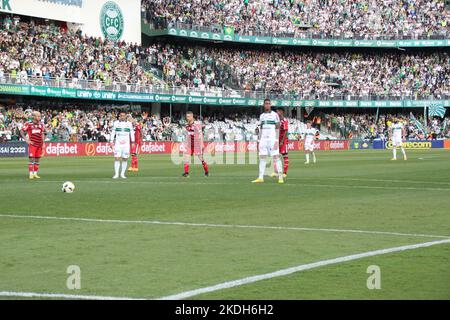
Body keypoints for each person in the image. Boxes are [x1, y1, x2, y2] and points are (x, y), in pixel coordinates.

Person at [252, 98, 284, 184]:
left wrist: (277, 140)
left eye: (269, 103)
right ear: (264, 105)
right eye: (266, 103)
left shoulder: (275, 115)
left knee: (276, 157)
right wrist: (259, 140)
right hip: (263, 139)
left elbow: (278, 128)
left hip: (272, 139)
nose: (267, 105)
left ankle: (280, 177)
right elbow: (260, 129)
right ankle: (260, 177)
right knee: (262, 158)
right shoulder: (261, 116)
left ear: (270, 105)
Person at [182, 111, 209, 177]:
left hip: (197, 144)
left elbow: (200, 134)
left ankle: (206, 171)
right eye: (186, 116)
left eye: (188, 116)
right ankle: (186, 173)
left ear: (192, 116)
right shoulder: (186, 125)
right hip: (189, 144)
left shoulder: (197, 124)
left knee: (201, 159)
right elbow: (187, 133)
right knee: (186, 158)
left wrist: (202, 143)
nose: (187, 118)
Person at [110, 111, 135, 179]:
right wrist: (111, 141)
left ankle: (122, 174)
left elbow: (131, 133)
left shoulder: (129, 124)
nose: (122, 117)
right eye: (121, 115)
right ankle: (116, 174)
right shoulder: (116, 123)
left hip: (126, 144)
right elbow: (113, 132)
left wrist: (133, 142)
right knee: (117, 158)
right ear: (119, 116)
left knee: (125, 158)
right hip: (118, 144)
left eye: (124, 115)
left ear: (126, 116)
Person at [21, 111, 45, 180]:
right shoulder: (28, 124)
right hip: (32, 144)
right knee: (31, 159)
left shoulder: (42, 124)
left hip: (39, 144)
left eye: (40, 116)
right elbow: (21, 131)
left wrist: (43, 143)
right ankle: (31, 174)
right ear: (33, 117)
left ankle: (35, 174)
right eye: (38, 116)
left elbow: (43, 133)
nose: (39, 117)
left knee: (37, 159)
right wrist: (26, 140)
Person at [271, 108, 289, 178]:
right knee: (275, 156)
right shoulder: (276, 121)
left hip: (283, 141)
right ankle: (276, 172)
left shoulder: (284, 121)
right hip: (277, 140)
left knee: (285, 156)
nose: (277, 112)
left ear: (281, 112)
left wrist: (282, 141)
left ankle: (285, 172)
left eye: (278, 111)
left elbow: (286, 132)